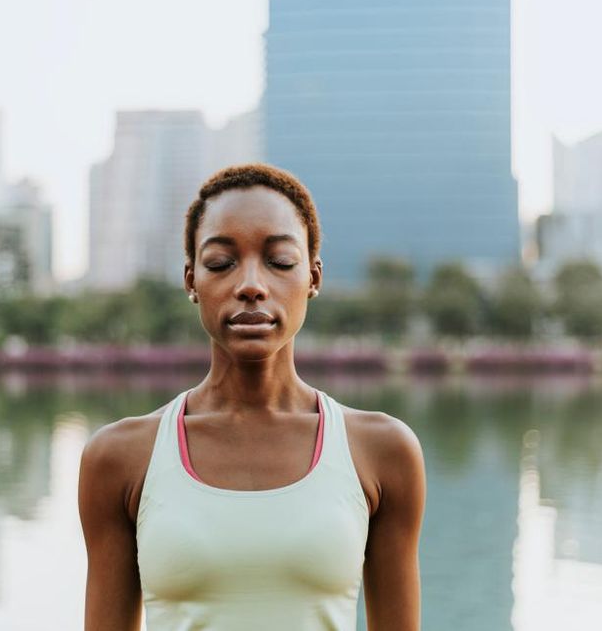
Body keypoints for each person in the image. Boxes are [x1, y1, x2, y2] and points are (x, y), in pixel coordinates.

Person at [78, 163, 426, 630]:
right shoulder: (120, 457)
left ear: (313, 278)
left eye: (280, 262)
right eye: (221, 263)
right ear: (191, 281)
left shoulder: (383, 450)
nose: (250, 285)